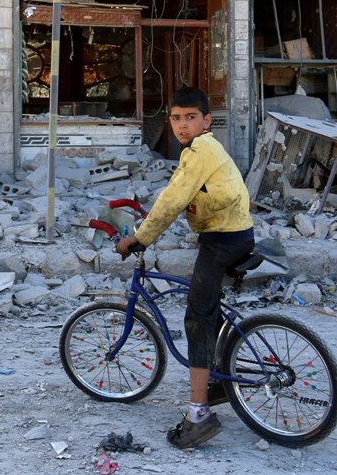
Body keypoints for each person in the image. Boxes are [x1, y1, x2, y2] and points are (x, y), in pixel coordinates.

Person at [116, 87, 254, 449]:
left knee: (197, 318)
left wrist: (140, 238)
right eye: (175, 118)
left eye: (190, 117)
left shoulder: (201, 149)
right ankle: (222, 377)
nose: (181, 124)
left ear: (206, 121)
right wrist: (151, 220)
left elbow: (174, 199)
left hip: (224, 241)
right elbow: (181, 194)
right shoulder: (201, 150)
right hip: (232, 235)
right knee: (210, 311)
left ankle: (198, 416)